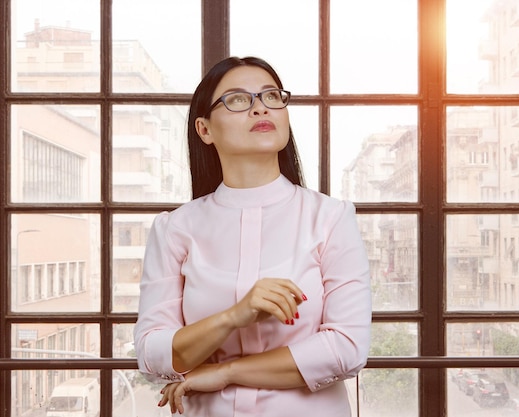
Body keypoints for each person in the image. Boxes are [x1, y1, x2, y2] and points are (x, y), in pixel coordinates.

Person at [133, 56, 372, 417]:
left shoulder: (331, 218)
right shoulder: (174, 229)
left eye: (271, 96)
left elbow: (346, 349)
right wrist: (235, 315)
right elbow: (153, 353)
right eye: (238, 100)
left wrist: (225, 371)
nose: (260, 108)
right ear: (205, 130)